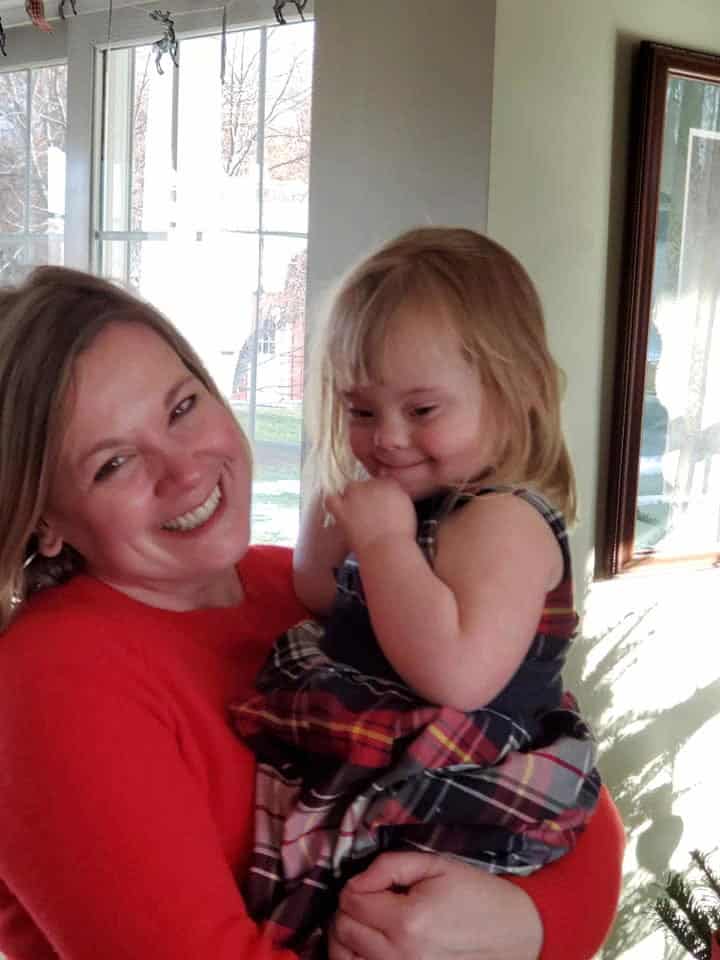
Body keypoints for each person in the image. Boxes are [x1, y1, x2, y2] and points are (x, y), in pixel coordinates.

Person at [0, 264, 623, 960]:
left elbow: (563, 786)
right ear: (43, 520)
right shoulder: (48, 681)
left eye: (182, 407)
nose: (184, 470)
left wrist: (527, 923)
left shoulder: (314, 585)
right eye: (112, 463)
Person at [231, 227, 608, 957]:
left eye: (422, 410)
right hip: (390, 778)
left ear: (516, 390)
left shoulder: (500, 520)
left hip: (456, 794)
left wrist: (384, 544)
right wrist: (339, 502)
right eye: (361, 411)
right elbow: (317, 591)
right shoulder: (415, 504)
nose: (388, 438)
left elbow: (456, 676)